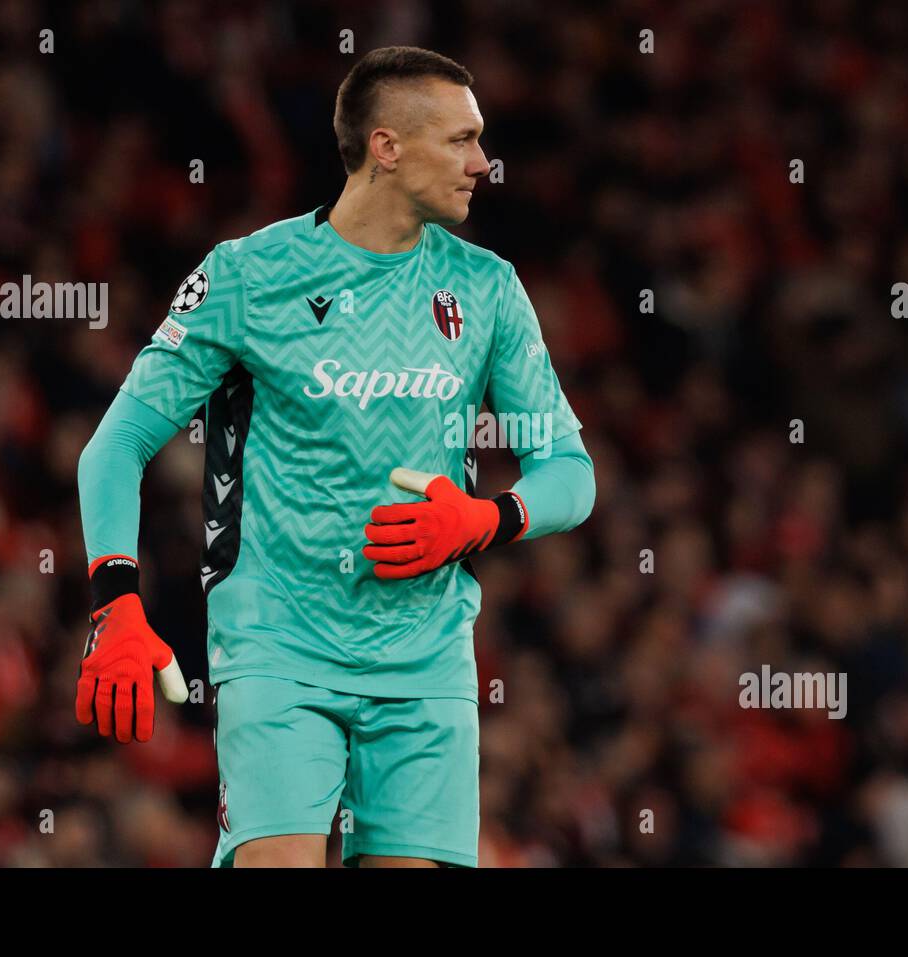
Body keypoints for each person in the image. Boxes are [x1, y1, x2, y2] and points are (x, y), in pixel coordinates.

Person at [75, 45, 595, 868]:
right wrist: (116, 601)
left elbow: (571, 472)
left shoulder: (488, 288)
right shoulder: (250, 276)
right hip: (279, 645)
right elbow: (116, 448)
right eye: (460, 140)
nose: (482, 163)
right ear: (386, 147)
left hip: (425, 661)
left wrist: (488, 518)